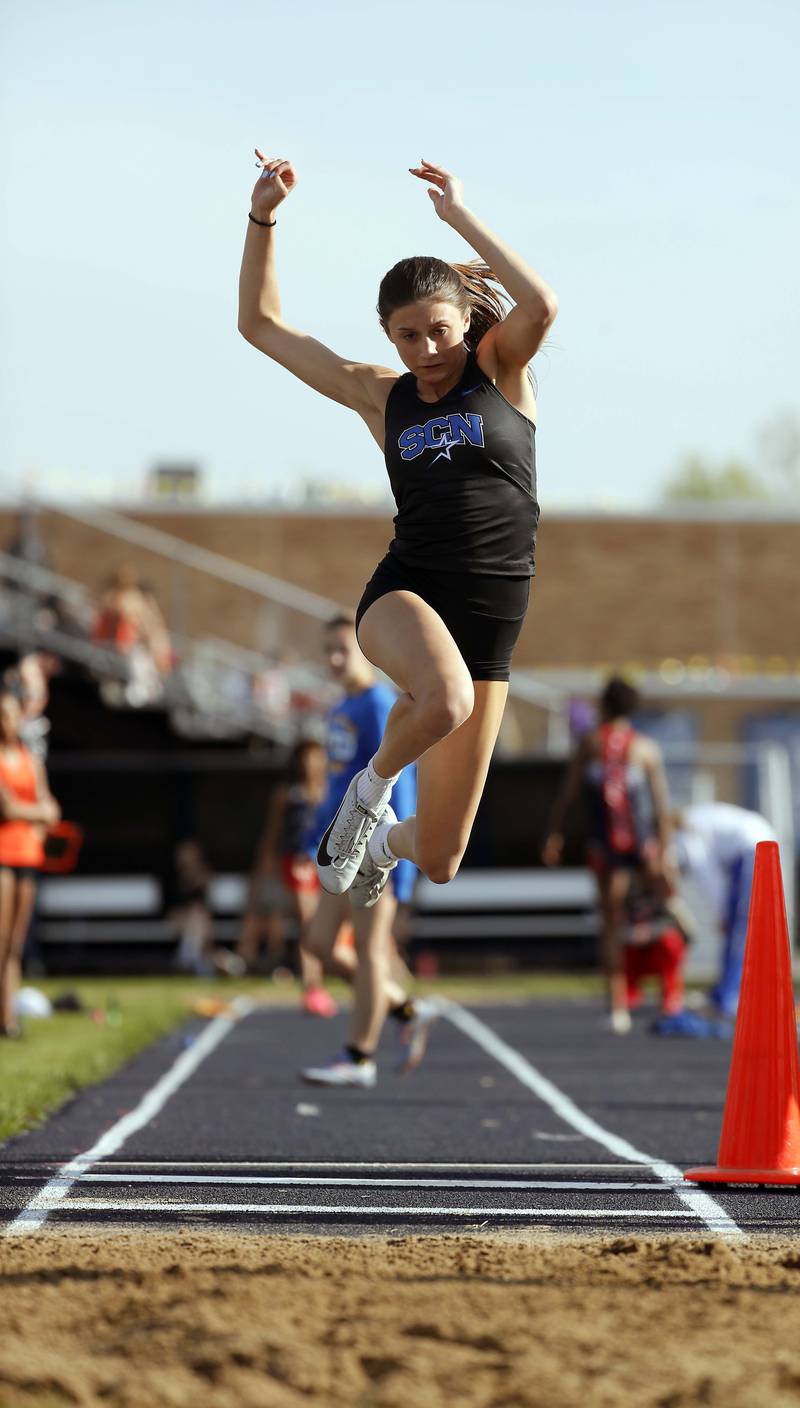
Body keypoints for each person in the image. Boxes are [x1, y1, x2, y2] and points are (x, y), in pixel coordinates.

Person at [239, 151, 557, 921]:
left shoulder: (501, 370)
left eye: (439, 332)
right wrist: (263, 215)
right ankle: (367, 793)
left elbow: (541, 303)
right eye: (407, 337)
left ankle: (380, 846)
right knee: (441, 699)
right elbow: (259, 326)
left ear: (464, 321)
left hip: (491, 619)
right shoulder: (383, 397)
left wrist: (458, 214)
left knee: (442, 857)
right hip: (408, 593)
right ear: (389, 336)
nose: (427, 351)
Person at [300, 614, 433, 1088]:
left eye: (343, 649)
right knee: (317, 945)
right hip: (340, 845)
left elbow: (400, 780)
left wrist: (396, 857)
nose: (335, 659)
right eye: (328, 650)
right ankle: (404, 1007)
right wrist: (314, 837)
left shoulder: (378, 704)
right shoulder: (343, 706)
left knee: (371, 952)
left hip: (373, 848)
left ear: (366, 652)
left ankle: (358, 1057)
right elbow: (337, 784)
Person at [542, 677, 672, 1033]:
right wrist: (664, 851)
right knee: (664, 911)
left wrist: (554, 834)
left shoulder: (592, 743)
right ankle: (667, 995)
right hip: (641, 846)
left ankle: (618, 1004)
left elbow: (568, 795)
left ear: (605, 705)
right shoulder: (646, 747)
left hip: (607, 845)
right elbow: (661, 806)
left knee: (612, 924)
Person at [237, 739, 339, 1017]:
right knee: (308, 922)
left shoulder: (331, 790)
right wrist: (263, 865)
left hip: (328, 864)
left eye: (315, 758)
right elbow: (273, 831)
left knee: (326, 925)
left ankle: (327, 978)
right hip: (297, 863)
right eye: (305, 758)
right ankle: (312, 985)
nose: (310, 764)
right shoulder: (287, 794)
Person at [670, 801, 777, 1017]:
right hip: (758, 841)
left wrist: (722, 914)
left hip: (751, 848)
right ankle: (729, 992)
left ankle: (729, 996)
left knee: (737, 929)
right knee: (742, 929)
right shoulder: (696, 818)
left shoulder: (686, 833)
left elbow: (706, 875)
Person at [0, 690, 60, 1036]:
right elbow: (7, 809)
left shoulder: (29, 760)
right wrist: (36, 814)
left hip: (27, 855)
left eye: (10, 715)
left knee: (15, 944)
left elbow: (51, 809)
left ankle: (10, 1017)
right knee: (2, 937)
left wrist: (34, 814)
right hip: (4, 854)